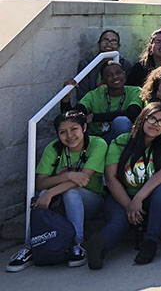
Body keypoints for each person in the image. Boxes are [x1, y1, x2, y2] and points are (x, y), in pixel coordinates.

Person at [6, 110, 107, 271]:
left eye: (74, 129)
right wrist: (69, 175)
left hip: (92, 201)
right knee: (40, 193)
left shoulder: (97, 144)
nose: (69, 135)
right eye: (63, 132)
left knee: (68, 192)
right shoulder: (53, 149)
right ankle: (30, 246)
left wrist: (51, 192)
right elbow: (40, 182)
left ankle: (77, 244)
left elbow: (84, 179)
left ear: (84, 128)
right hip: (61, 203)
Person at [89, 102, 161, 269]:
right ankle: (99, 247)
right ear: (142, 119)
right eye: (152, 119)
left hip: (154, 197)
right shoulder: (121, 141)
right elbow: (110, 177)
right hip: (122, 195)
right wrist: (129, 204)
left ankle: (150, 242)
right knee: (118, 223)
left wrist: (138, 198)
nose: (156, 124)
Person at [76, 60, 142, 140]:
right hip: (98, 138)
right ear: (102, 80)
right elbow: (76, 113)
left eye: (118, 73)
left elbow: (132, 112)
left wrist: (94, 117)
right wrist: (65, 100)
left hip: (124, 138)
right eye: (109, 75)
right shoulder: (94, 94)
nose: (115, 77)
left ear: (124, 74)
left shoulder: (135, 91)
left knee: (122, 121)